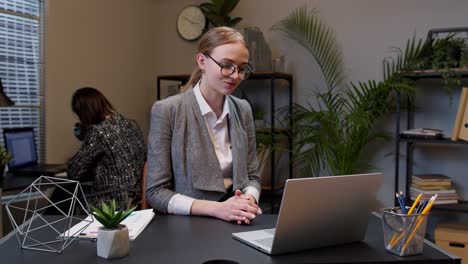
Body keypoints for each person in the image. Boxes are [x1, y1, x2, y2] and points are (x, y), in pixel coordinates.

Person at [146, 27, 262, 224]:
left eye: (242, 69)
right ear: (202, 61)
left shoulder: (243, 110)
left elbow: (252, 177)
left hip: (238, 221)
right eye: (226, 65)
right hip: (189, 227)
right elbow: (156, 192)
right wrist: (218, 209)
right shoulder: (167, 110)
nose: (235, 76)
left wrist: (247, 201)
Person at [67, 87, 146, 210]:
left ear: (84, 113)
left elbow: (74, 172)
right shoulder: (131, 124)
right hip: (138, 197)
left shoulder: (98, 131)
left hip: (114, 202)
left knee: (64, 196)